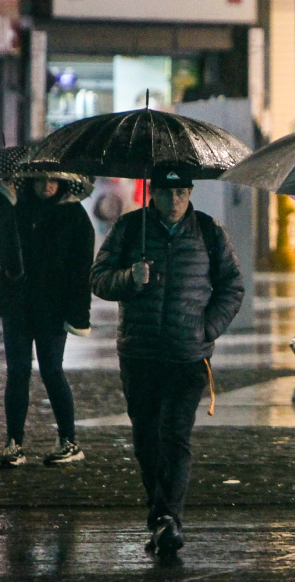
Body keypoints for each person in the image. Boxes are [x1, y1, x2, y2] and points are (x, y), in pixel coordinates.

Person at [90, 170, 244, 555]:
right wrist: (129, 278)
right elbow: (99, 278)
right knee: (146, 438)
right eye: (165, 192)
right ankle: (160, 515)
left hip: (186, 356)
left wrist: (206, 328)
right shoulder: (129, 229)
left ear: (189, 193)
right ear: (152, 193)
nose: (173, 200)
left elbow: (232, 286)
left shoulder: (209, 232)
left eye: (180, 192)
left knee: (175, 435)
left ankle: (168, 519)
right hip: (139, 353)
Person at [0, 176, 94, 468]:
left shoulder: (73, 214)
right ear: (30, 180)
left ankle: (68, 440)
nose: (47, 185)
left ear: (62, 182)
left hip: (53, 310)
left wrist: (77, 315)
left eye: (53, 180)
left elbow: (82, 269)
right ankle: (14, 442)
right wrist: (2, 203)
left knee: (52, 370)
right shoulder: (15, 206)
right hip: (17, 305)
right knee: (17, 372)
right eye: (41, 180)